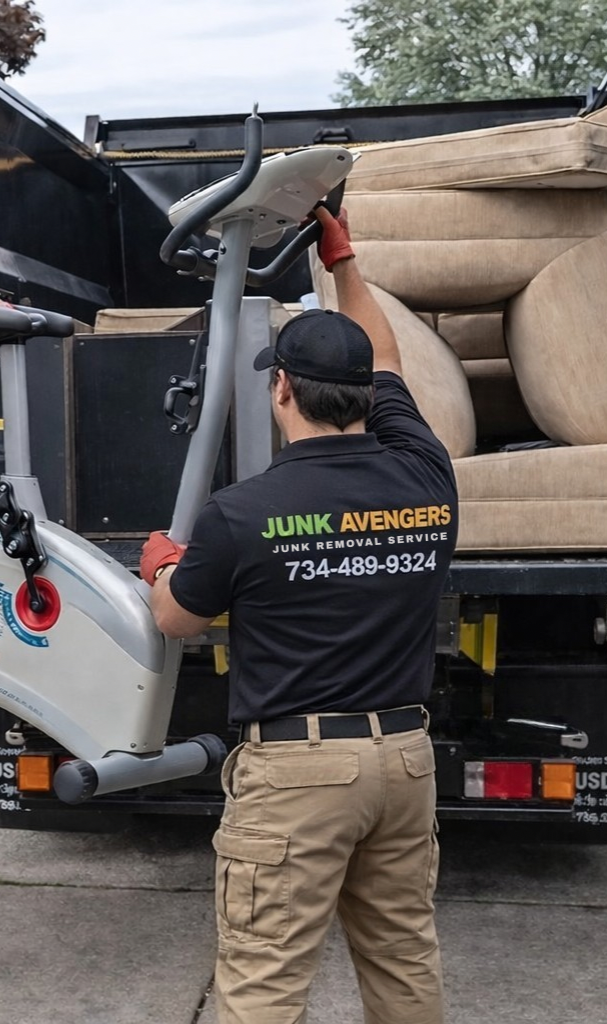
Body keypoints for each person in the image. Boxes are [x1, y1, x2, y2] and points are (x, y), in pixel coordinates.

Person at [142, 205, 457, 1024]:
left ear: (280, 387)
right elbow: (384, 354)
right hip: (406, 760)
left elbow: (177, 620)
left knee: (263, 984)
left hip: (299, 775)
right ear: (366, 396)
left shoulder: (242, 512)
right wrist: (343, 263)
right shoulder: (425, 475)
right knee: (403, 963)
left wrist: (161, 568)